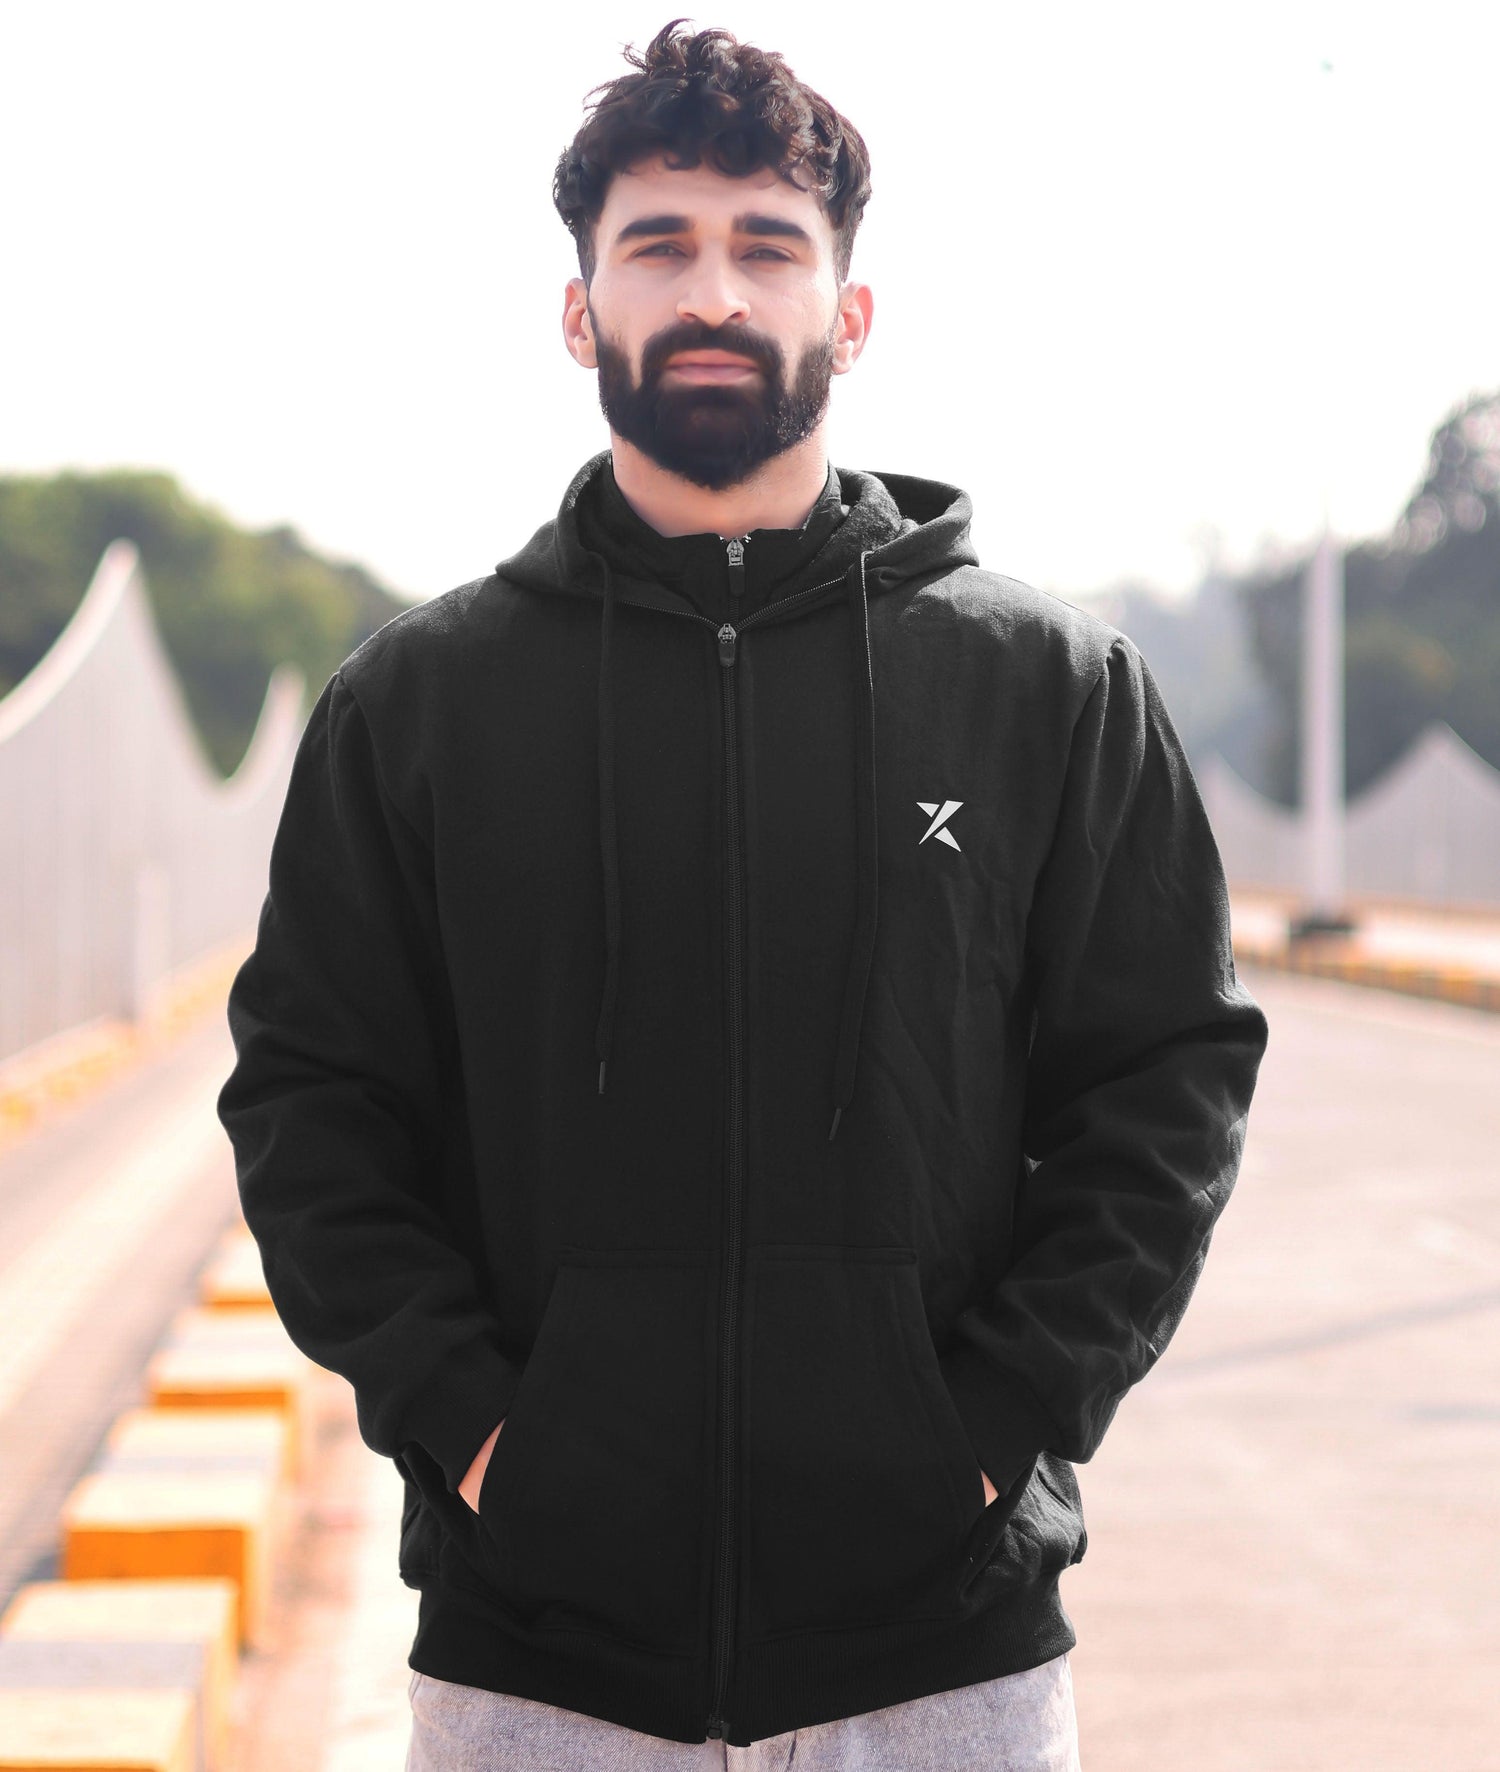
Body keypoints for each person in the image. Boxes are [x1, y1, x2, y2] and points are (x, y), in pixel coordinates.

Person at [216, 17, 1270, 1769]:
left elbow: (1166, 1084)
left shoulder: (1047, 688)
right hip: (537, 1664)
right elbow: (312, 1102)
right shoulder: (419, 705)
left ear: (849, 314)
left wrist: (989, 1430)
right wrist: (482, 1436)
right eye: (659, 246)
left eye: (768, 247)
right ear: (582, 311)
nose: (714, 292)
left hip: (938, 1660)